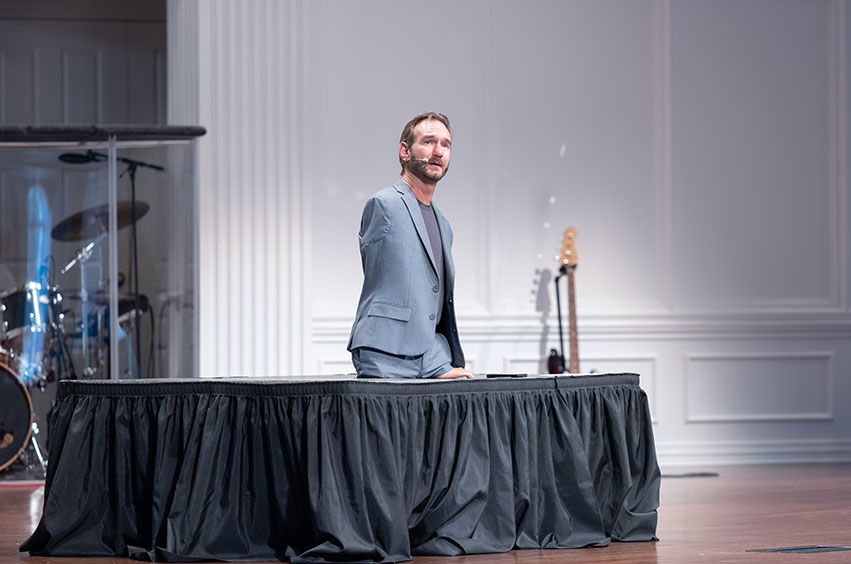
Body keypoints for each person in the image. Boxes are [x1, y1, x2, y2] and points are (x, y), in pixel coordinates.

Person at [348, 112, 473, 379]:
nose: (438, 151)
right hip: (386, 350)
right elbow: (380, 279)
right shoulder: (383, 204)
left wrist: (438, 357)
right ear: (405, 151)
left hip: (435, 354)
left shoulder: (444, 223)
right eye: (428, 142)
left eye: (446, 144)